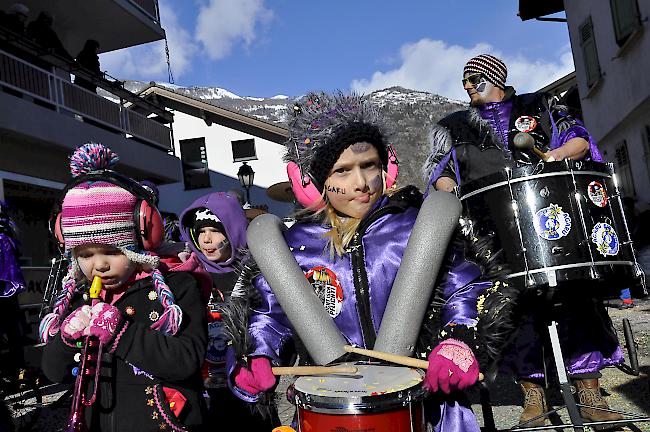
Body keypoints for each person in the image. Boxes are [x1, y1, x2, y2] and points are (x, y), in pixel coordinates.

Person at [227, 91, 491, 431]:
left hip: (429, 410)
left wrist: (458, 340)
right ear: (311, 182)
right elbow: (267, 315)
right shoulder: (296, 248)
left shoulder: (414, 227)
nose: (361, 183)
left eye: (369, 166)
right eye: (342, 171)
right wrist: (256, 354)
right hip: (332, 414)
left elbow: (467, 287)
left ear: (387, 166)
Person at [423, 54, 623, 426]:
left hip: (551, 218)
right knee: (514, 311)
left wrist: (556, 154)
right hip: (492, 231)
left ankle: (589, 392)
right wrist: (447, 190)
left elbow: (578, 140)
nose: (466, 86)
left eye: (474, 78)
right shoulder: (452, 127)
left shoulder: (539, 105)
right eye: (464, 80)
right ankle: (532, 397)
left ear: (495, 78)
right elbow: (441, 172)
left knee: (576, 301)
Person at [39, 143, 208, 432]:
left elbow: (187, 361)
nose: (99, 265)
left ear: (139, 242)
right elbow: (53, 373)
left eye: (112, 251)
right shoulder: (80, 296)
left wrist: (122, 333)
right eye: (85, 255)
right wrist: (66, 340)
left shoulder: (178, 286)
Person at [178, 191, 280, 429]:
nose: (207, 239)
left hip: (250, 388)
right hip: (206, 390)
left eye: (215, 230)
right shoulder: (190, 276)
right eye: (201, 232)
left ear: (232, 229)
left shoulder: (257, 273)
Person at [0, 201, 27, 378]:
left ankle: (17, 372)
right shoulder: (8, 234)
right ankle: (18, 371)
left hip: (4, 293)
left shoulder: (3, 238)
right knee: (13, 333)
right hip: (9, 295)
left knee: (12, 333)